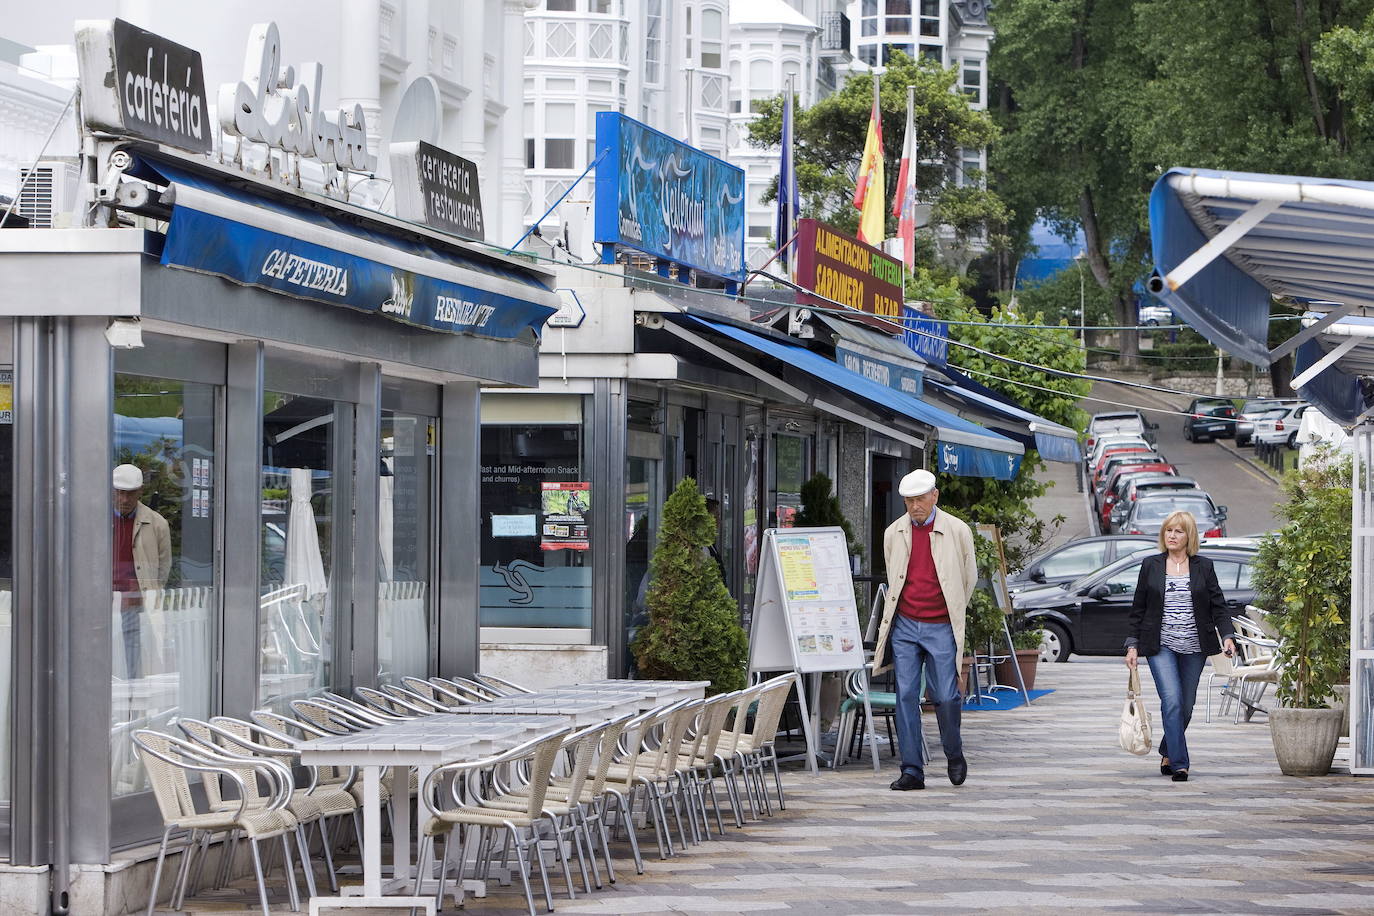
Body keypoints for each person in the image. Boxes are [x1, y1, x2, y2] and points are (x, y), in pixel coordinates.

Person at [872, 469, 976, 790]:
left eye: (921, 498)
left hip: (940, 622)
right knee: (904, 695)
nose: (915, 506)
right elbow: (895, 575)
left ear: (935, 496)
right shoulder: (894, 532)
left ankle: (953, 752)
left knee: (945, 695)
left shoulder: (957, 531)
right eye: (909, 500)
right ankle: (912, 770)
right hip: (904, 623)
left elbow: (968, 577)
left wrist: (952, 610)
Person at [1125, 510, 1237, 782]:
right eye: (1168, 530)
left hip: (1195, 646)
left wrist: (1227, 635)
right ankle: (1180, 763)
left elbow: (1218, 606)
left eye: (1178, 531)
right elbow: (1137, 609)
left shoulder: (1203, 566)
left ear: (1189, 536)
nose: (1172, 536)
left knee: (1185, 705)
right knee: (1172, 700)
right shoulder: (1151, 565)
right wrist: (1132, 645)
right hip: (1160, 644)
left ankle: (1167, 748)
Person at [112, 463, 171, 679]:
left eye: (131, 494)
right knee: (101, 659)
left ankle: (133, 708)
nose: (125, 500)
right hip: (102, 604)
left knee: (134, 662)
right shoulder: (95, 520)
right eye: (120, 493)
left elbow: (163, 569)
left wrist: (147, 592)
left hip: (136, 605)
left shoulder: (157, 524)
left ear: (140, 492)